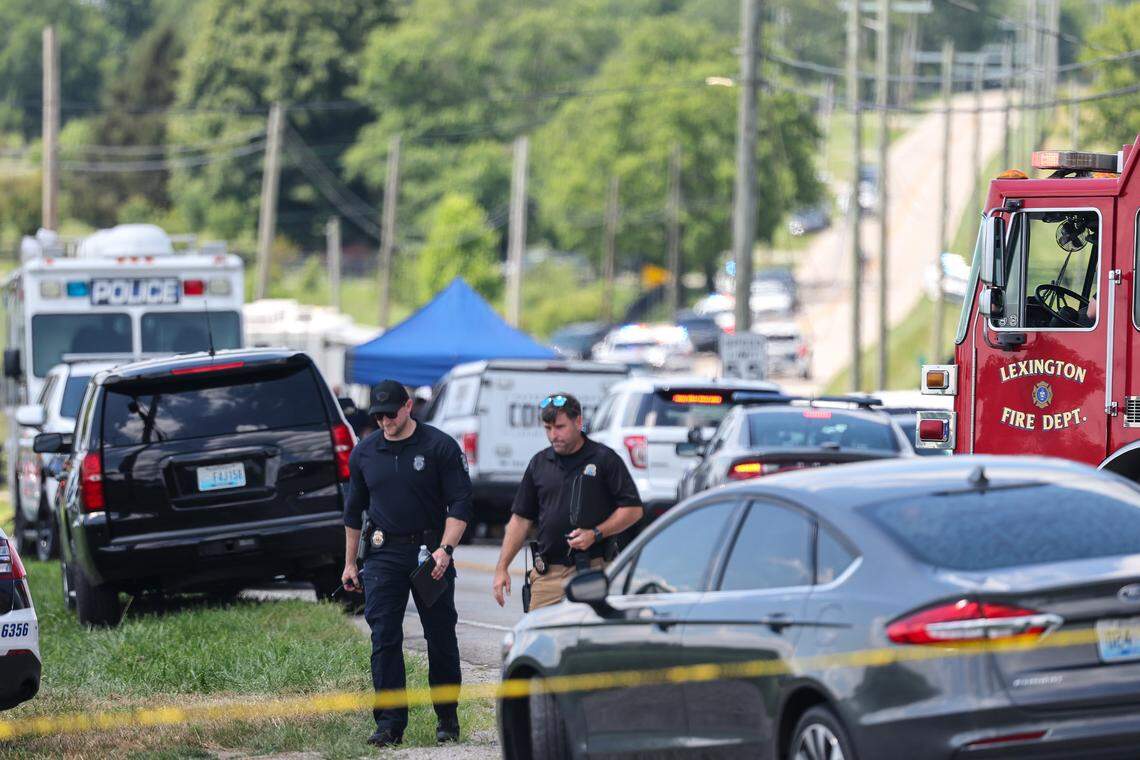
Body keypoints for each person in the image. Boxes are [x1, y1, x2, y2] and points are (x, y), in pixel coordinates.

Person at [341, 379, 473, 747]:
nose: (385, 421)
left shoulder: (439, 446)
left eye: (391, 413)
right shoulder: (365, 453)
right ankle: (389, 724)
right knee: (384, 637)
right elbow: (353, 512)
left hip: (430, 553)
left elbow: (461, 503)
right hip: (383, 554)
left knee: (440, 636)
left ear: (408, 406)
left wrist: (446, 549)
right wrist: (349, 563)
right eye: (378, 416)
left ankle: (447, 718)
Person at [492, 392, 643, 611]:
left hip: (593, 569)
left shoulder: (604, 459)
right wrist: (502, 568)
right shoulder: (539, 463)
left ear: (578, 422)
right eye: (548, 428)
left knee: (589, 631)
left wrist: (596, 533)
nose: (553, 435)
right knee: (538, 632)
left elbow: (633, 510)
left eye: (560, 427)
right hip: (547, 575)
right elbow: (520, 519)